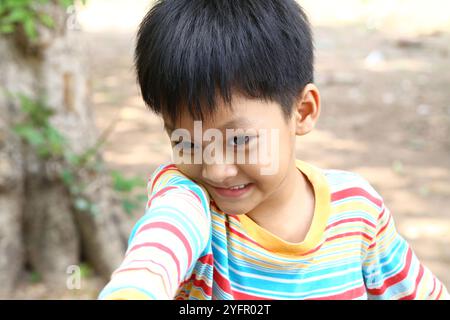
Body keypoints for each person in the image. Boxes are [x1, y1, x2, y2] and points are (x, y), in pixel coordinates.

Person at [98, 0, 448, 300]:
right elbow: (158, 248)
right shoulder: (192, 201)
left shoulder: (357, 211)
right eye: (188, 143)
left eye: (239, 140)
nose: (216, 170)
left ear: (303, 111)